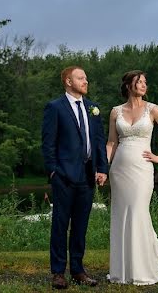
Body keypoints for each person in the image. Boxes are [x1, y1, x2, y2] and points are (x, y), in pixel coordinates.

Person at [106, 70, 158, 286]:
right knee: (121, 215)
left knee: (138, 212)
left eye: (145, 82)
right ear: (129, 86)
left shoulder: (153, 109)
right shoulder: (115, 112)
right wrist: (103, 167)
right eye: (139, 82)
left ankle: (142, 269)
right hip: (119, 170)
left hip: (142, 169)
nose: (143, 85)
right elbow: (112, 143)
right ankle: (122, 271)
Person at [41, 66, 109, 289]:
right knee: (60, 224)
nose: (85, 81)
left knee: (81, 225)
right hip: (63, 176)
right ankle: (58, 273)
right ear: (68, 82)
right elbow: (48, 142)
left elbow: (99, 141)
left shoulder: (93, 108)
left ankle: (78, 270)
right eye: (81, 78)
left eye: (86, 78)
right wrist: (53, 170)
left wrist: (102, 168)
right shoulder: (55, 107)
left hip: (88, 175)